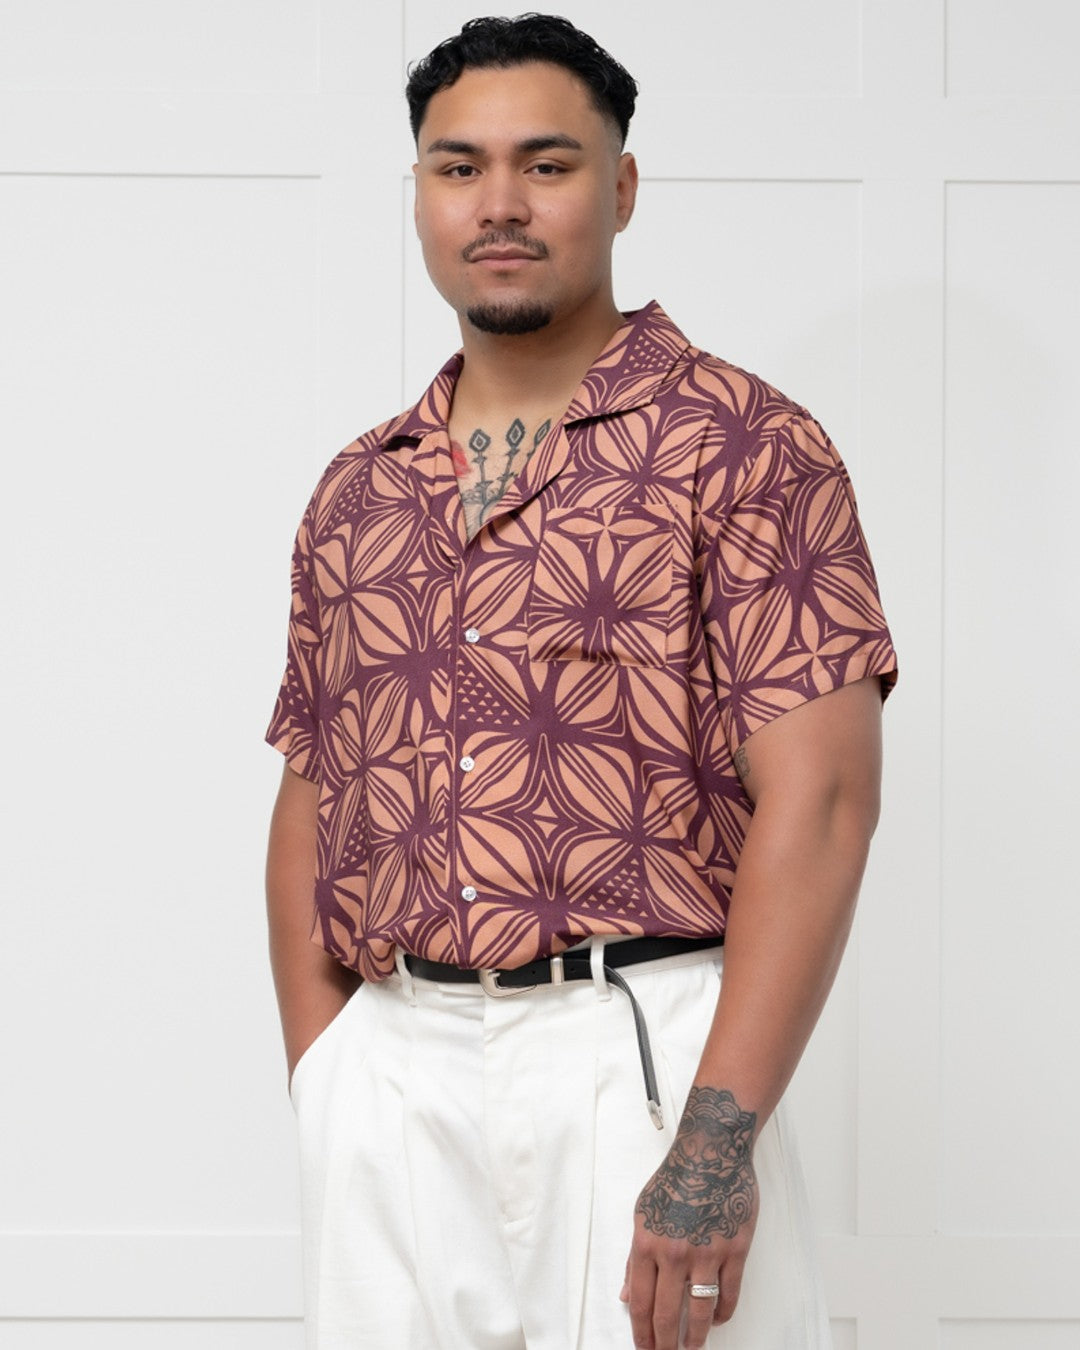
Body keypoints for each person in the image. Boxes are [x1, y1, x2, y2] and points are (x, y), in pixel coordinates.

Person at [265, 14, 897, 1350]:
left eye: (546, 164)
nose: (498, 203)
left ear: (620, 187)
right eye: (458, 167)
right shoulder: (359, 488)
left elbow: (825, 802)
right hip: (396, 1070)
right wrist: (328, 1076)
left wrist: (713, 1145)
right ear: (420, 193)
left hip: (642, 1058)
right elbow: (314, 786)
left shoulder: (746, 446)